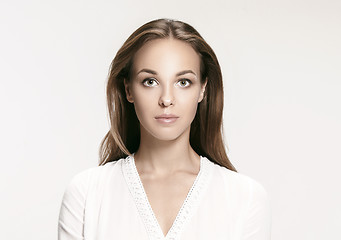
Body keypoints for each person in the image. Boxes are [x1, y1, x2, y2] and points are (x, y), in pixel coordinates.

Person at [58, 18, 271, 240]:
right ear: (128, 89)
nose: (167, 99)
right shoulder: (86, 194)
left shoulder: (245, 198)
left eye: (183, 82)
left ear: (203, 89)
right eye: (150, 81)